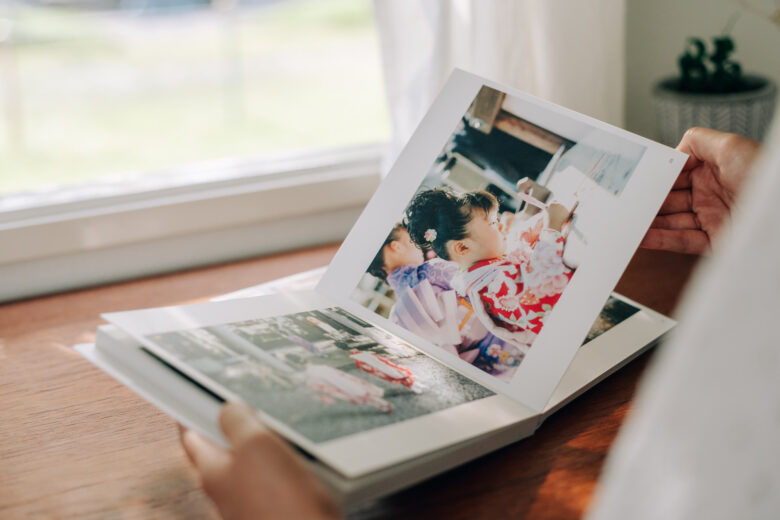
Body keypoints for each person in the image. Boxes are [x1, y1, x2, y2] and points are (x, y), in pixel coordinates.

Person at [180, 128, 764, 520]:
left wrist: (535, 211)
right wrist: (553, 228)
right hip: (521, 324)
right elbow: (532, 271)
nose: (500, 226)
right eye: (488, 224)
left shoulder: (474, 263)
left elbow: (514, 243)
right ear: (458, 248)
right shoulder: (476, 279)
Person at [405, 188, 576, 345]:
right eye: (493, 223)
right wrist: (552, 227)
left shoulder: (484, 265)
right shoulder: (487, 287)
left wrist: (543, 222)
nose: (501, 225)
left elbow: (517, 241)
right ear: (463, 247)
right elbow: (544, 293)